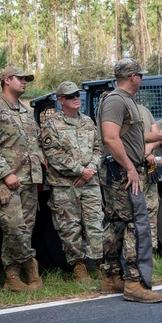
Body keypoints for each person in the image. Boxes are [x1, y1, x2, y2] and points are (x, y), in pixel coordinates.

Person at [97, 58, 162, 303]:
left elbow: (131, 134)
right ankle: (134, 283)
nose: (141, 78)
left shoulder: (125, 101)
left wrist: (160, 134)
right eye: (140, 75)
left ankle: (111, 277)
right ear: (133, 77)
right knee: (135, 224)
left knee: (117, 224)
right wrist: (131, 168)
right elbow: (111, 139)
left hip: (121, 172)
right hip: (123, 174)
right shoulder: (115, 100)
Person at [0, 66, 45, 292]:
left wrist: (41, 161)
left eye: (26, 79)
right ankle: (31, 267)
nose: (24, 82)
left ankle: (12, 278)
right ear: (6, 80)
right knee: (15, 228)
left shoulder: (24, 111)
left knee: (24, 230)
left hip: (28, 180)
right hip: (4, 182)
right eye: (20, 79)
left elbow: (33, 143)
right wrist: (4, 174)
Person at [39, 81, 103, 282]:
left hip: (90, 183)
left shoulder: (88, 122)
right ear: (60, 100)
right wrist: (79, 171)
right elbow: (53, 154)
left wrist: (90, 170)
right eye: (70, 96)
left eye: (77, 95)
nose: (76, 98)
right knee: (69, 227)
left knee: (95, 223)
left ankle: (102, 265)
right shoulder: (52, 125)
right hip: (65, 186)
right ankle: (79, 267)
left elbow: (98, 148)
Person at [139, 103, 161, 249]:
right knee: (137, 212)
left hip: (149, 168)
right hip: (132, 168)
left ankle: (151, 250)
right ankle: (139, 251)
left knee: (152, 208)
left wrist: (148, 150)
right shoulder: (119, 108)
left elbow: (158, 137)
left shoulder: (145, 110)